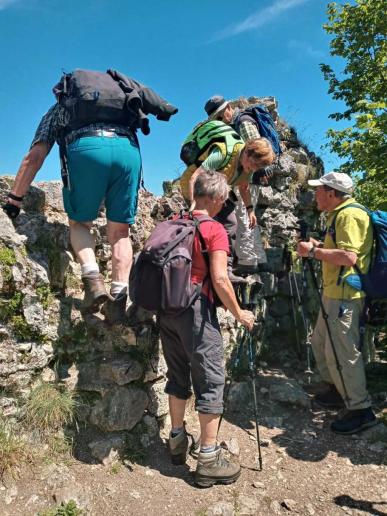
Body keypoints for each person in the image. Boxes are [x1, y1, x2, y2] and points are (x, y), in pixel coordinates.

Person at [2, 69, 177, 324]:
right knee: (120, 233)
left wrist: (15, 200)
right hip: (127, 151)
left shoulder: (60, 109)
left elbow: (34, 158)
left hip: (87, 149)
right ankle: (118, 298)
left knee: (80, 223)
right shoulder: (120, 106)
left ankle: (93, 281)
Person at [159, 171, 255, 487]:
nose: (224, 204)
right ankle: (209, 460)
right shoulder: (213, 229)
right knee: (211, 379)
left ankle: (176, 442)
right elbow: (220, 278)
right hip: (196, 311)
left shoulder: (173, 223)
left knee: (177, 375)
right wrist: (240, 312)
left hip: (166, 310)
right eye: (224, 199)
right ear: (214, 198)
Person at [297, 172, 377, 434]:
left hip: (345, 296)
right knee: (321, 341)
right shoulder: (337, 214)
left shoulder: (349, 215)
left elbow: (348, 256)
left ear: (331, 193)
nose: (315, 194)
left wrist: (313, 251)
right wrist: (319, 245)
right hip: (334, 292)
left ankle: (360, 409)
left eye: (319, 190)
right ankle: (336, 389)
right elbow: (339, 247)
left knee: (342, 353)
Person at [179, 131, 275, 282]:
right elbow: (194, 178)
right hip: (197, 190)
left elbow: (244, 187)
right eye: (254, 164)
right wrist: (194, 208)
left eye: (258, 167)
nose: (254, 169)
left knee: (231, 223)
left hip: (217, 192)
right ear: (247, 152)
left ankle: (225, 269)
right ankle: (196, 267)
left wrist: (250, 210)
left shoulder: (247, 167)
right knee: (204, 226)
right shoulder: (223, 152)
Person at [204, 95, 275, 275]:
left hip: (250, 177)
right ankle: (250, 260)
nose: (221, 120)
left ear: (229, 107)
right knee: (243, 219)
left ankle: (247, 262)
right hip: (244, 176)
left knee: (243, 219)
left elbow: (257, 149)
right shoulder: (233, 127)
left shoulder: (242, 122)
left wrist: (255, 170)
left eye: (221, 116)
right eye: (217, 119)